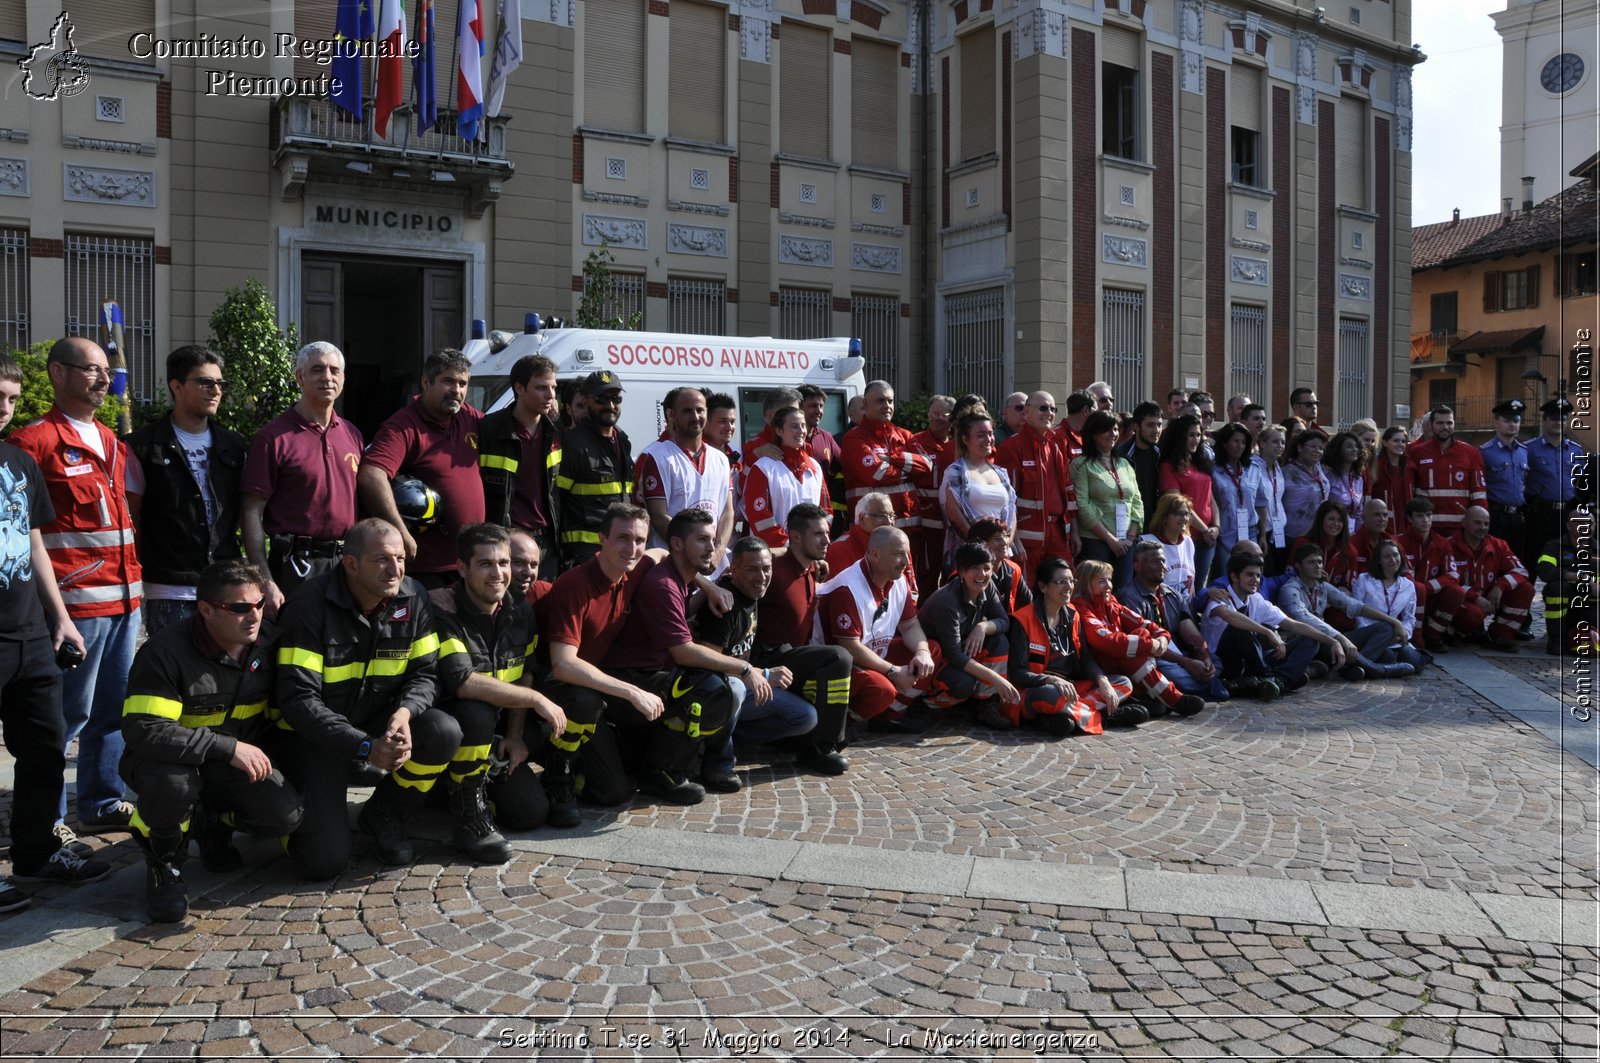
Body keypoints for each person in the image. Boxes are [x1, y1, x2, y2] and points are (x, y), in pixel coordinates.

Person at [119, 560, 304, 921]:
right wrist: (227, 747)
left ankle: (211, 822)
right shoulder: (165, 652)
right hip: (169, 761)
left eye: (259, 604)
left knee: (285, 815)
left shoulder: (270, 644)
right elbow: (145, 729)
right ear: (205, 609)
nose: (253, 616)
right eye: (239, 608)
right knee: (172, 785)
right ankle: (164, 862)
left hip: (230, 766)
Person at [274, 519, 458, 878]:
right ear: (351, 564)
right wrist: (364, 747)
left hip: (375, 718)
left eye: (401, 559)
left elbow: (425, 673)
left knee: (442, 731)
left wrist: (405, 713)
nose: (396, 570)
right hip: (313, 737)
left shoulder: (413, 595)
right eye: (383, 560)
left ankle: (384, 813)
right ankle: (275, 815)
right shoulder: (308, 606)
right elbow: (298, 702)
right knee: (324, 862)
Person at [10, 337, 141, 836]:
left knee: (113, 712)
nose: (103, 379)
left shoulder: (110, 439)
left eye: (106, 371)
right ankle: (47, 822)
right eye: (91, 370)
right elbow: (26, 535)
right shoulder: (33, 442)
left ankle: (102, 801)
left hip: (126, 600)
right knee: (65, 718)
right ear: (58, 373)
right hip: (74, 608)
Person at [0, 352, 103, 914]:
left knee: (44, 746)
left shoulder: (17, 461)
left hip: (28, 633)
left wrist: (59, 616)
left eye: (13, 398)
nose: (5, 408)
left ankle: (36, 852)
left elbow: (35, 540)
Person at [430, 524, 568, 847]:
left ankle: (462, 788)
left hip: (496, 733)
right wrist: (535, 700)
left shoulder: (521, 611)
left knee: (530, 813)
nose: (499, 573)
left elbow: (524, 673)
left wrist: (516, 736)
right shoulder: (441, 610)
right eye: (486, 564)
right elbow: (462, 682)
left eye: (504, 563)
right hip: (449, 732)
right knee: (475, 712)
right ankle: (463, 808)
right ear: (462, 568)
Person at [600, 507, 744, 802]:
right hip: (628, 682)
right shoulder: (663, 585)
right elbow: (684, 653)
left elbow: (659, 553)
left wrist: (707, 585)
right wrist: (746, 668)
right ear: (677, 543)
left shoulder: (680, 574)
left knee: (715, 685)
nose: (712, 548)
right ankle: (662, 773)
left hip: (650, 675)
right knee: (708, 688)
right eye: (702, 540)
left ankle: (669, 761)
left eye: (713, 539)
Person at [125, 345, 247, 635]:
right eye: (205, 382)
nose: (216, 390)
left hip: (224, 583)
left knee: (224, 675)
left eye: (220, 383)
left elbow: (243, 512)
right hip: (170, 588)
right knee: (173, 675)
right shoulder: (141, 446)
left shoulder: (234, 445)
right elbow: (131, 518)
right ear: (177, 386)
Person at [694, 536, 829, 789]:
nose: (762, 576)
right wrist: (763, 673)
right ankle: (717, 762)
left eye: (766, 568)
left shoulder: (754, 592)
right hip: (718, 689)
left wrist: (812, 556)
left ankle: (721, 741)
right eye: (752, 569)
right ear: (733, 569)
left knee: (805, 717)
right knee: (732, 688)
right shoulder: (725, 603)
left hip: (745, 683)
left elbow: (780, 552)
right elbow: (708, 660)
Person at [241, 341, 364, 614]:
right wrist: (265, 580)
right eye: (317, 369)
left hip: (347, 564)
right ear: (300, 377)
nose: (327, 377)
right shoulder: (272, 438)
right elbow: (251, 511)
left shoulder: (352, 434)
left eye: (335, 370)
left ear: (343, 378)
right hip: (295, 567)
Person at [359, 348, 486, 587]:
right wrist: (400, 533)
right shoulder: (403, 426)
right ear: (426, 382)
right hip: (427, 570)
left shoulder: (469, 418)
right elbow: (372, 475)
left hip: (470, 563)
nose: (457, 391)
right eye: (448, 381)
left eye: (462, 383)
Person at [748, 503, 853, 774]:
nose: (827, 540)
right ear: (794, 536)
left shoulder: (810, 567)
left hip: (791, 661)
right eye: (818, 534)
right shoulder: (772, 570)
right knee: (838, 657)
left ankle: (807, 737)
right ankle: (821, 746)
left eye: (827, 533)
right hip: (766, 663)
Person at [817, 526, 942, 734]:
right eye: (898, 554)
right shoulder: (848, 588)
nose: (906, 561)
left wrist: (922, 652)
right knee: (881, 690)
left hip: (872, 653)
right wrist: (894, 672)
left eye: (907, 554)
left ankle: (889, 716)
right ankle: (847, 717)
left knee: (932, 650)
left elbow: (910, 625)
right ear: (875, 554)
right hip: (838, 663)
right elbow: (850, 647)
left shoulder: (898, 580)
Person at [1004, 558, 1131, 734]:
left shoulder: (1073, 615)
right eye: (1061, 582)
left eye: (1071, 581)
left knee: (1123, 683)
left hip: (1071, 688)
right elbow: (1016, 673)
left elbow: (1085, 658)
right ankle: (1103, 717)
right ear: (1043, 587)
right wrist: (1051, 680)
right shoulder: (1023, 619)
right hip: (1036, 690)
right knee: (1052, 695)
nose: (1069, 587)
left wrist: (1103, 681)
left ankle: (1066, 717)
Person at [1073, 559, 1206, 720]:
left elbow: (1146, 624)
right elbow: (1106, 642)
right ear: (1086, 584)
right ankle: (1173, 699)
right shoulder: (1080, 607)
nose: (1108, 586)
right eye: (1101, 581)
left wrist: (1162, 639)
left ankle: (1145, 697)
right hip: (1097, 670)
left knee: (1139, 635)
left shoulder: (1112, 603)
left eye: (1109, 579)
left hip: (1120, 665)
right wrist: (1150, 645)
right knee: (1134, 648)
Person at [477, 352, 562, 579]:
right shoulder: (488, 430)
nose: (551, 395)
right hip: (506, 540)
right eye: (542, 388)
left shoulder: (556, 433)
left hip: (547, 544)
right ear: (519, 388)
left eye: (553, 388)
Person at [1274, 543, 1414, 680]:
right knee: (1385, 657)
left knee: (1386, 628)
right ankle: (1377, 669)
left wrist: (1395, 622)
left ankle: (1353, 667)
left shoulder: (1322, 586)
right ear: (1298, 566)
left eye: (1320, 562)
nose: (1317, 566)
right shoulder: (1290, 589)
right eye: (1311, 562)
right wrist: (1340, 638)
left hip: (1331, 640)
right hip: (1307, 642)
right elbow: (1304, 618)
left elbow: (1354, 606)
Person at [916, 542, 1021, 725]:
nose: (982, 575)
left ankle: (984, 704)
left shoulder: (987, 586)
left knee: (999, 641)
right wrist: (995, 678)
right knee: (963, 683)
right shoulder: (947, 601)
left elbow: (1004, 621)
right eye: (975, 568)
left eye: (986, 568)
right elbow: (954, 655)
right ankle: (925, 706)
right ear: (962, 572)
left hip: (958, 651)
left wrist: (983, 627)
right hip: (932, 660)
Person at [636, 387, 735, 567]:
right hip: (673, 563)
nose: (696, 416)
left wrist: (718, 550)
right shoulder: (657, 457)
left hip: (714, 564)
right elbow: (658, 515)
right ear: (673, 415)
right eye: (687, 411)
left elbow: (728, 512)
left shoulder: (720, 458)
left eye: (700, 410)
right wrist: (693, 552)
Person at [1201, 553, 1323, 699]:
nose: (1255, 580)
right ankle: (1275, 677)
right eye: (1250, 575)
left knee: (1310, 639)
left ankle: (1279, 680)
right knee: (1240, 628)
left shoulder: (1256, 599)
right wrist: (1268, 632)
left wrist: (1335, 641)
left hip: (1255, 660)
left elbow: (1294, 625)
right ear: (1234, 577)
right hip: (1227, 664)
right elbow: (1231, 617)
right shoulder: (1220, 597)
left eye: (1258, 576)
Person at [1117, 540, 1225, 702]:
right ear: (1137, 566)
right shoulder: (1128, 597)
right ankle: (1217, 686)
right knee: (1166, 673)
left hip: (1181, 653)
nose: (1162, 566)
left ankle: (1204, 684)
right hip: (1157, 656)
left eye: (1163, 560)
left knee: (1215, 660)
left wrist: (1204, 658)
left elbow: (1191, 634)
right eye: (1155, 561)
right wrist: (1187, 663)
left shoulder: (1173, 595)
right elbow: (1146, 644)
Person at [554, 371, 636, 570]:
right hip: (584, 557)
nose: (610, 405)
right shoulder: (572, 443)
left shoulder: (623, 440)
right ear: (587, 400)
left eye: (615, 398)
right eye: (601, 399)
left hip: (618, 551)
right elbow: (556, 502)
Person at [841, 381, 933, 549]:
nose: (887, 406)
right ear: (865, 404)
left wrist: (893, 459)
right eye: (880, 401)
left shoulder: (904, 435)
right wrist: (910, 469)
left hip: (911, 530)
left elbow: (927, 466)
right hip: (874, 534)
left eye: (890, 401)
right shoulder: (854, 438)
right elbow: (878, 474)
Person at [995, 391, 1076, 580]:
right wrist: (1013, 540)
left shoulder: (1055, 447)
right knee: (1026, 595)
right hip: (1027, 538)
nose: (1049, 413)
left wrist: (1075, 533)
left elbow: (1068, 491)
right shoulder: (1011, 447)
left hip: (1057, 535)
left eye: (1052, 409)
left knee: (1064, 585)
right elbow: (1005, 500)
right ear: (1027, 412)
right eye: (1043, 408)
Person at [1436, 505, 1536, 650]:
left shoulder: (1498, 545)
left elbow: (1521, 571)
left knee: (1526, 589)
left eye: (1486, 524)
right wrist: (1473, 597)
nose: (1482, 527)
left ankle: (1500, 635)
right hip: (1463, 600)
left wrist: (1500, 586)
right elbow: (1445, 581)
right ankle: (1454, 633)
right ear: (1463, 523)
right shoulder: (1449, 545)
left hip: (1489, 597)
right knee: (1473, 613)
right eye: (1477, 522)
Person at [940, 410, 1017, 570]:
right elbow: (954, 515)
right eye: (981, 435)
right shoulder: (955, 472)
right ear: (965, 439)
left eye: (990, 434)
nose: (988, 439)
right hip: (969, 558)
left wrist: (1004, 543)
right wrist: (983, 547)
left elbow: (1012, 511)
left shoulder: (1001, 473)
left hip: (1001, 557)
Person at [744, 404, 829, 548]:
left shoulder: (815, 467)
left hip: (809, 552)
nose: (801, 431)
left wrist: (817, 540)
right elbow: (759, 517)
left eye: (803, 425)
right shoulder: (763, 468)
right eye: (794, 426)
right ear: (778, 430)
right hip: (775, 554)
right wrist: (788, 545)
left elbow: (826, 511)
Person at [1071, 410, 1143, 571]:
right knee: (1098, 589)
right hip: (1095, 540)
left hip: (1125, 541)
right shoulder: (1081, 465)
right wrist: (1110, 539)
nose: (1113, 434)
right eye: (1107, 429)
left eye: (1116, 429)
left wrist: (1131, 537)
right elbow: (1082, 505)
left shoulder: (1125, 464)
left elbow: (1137, 501)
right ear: (1094, 434)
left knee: (1123, 592)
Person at [1524, 397, 1589, 571]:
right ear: (1544, 420)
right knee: (1532, 559)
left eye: (1562, 418)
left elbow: (1579, 481)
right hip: (1540, 515)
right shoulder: (1529, 449)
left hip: (1566, 514)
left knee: (1567, 561)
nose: (1558, 422)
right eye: (1553, 418)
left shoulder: (1576, 450)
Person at [1350, 539, 1430, 675]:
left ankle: (1367, 666)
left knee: (1414, 663)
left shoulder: (1408, 585)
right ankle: (1361, 665)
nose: (1393, 559)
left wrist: (1402, 634)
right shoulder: (1364, 580)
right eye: (1387, 556)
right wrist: (1377, 637)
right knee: (1389, 656)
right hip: (1370, 634)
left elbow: (1409, 618)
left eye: (1395, 555)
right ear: (1379, 561)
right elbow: (1358, 613)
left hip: (1395, 636)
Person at [1156, 414, 1218, 588]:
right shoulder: (1169, 466)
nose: (1196, 439)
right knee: (1186, 586)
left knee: (1201, 586)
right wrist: (1205, 530)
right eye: (1191, 435)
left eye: (1198, 435)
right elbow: (1177, 503)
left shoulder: (1201, 463)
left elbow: (1211, 498)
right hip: (1186, 535)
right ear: (1180, 436)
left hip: (1208, 537)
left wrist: (1216, 527)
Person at [1397, 498, 1465, 654]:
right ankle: (1415, 637)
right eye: (1420, 516)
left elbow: (1453, 574)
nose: (1426, 520)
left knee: (1457, 592)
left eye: (1428, 515)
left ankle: (1433, 635)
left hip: (1430, 595)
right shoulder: (1398, 541)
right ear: (1409, 518)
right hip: (1407, 599)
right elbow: (1404, 573)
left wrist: (1428, 588)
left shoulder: (1442, 543)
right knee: (1417, 588)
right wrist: (1421, 589)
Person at [1407, 405, 1487, 537]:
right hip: (1427, 528)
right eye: (1440, 423)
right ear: (1431, 425)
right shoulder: (1416, 452)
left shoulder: (1470, 453)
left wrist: (1479, 524)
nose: (1445, 427)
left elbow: (1478, 494)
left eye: (1449, 423)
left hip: (1459, 528)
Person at [908, 394, 957, 590]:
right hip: (927, 525)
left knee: (952, 575)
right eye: (934, 413)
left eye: (943, 413)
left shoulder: (959, 445)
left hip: (954, 525)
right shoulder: (915, 443)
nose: (937, 418)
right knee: (926, 576)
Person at [1210, 422, 1268, 580]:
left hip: (1249, 531)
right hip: (1224, 532)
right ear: (1224, 443)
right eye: (1235, 441)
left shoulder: (1254, 469)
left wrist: (1262, 535)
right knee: (1225, 576)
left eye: (1243, 442)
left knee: (1251, 576)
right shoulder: (1213, 469)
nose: (1240, 446)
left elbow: (1261, 504)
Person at [1537, 507, 1597, 657]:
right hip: (1565, 600)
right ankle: (1556, 640)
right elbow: (1545, 572)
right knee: (1557, 588)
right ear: (1568, 526)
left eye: (1590, 523)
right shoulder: (1553, 547)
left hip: (1591, 602)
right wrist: (1577, 577)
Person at [797, 385, 847, 535]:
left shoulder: (826, 437)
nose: (818, 411)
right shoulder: (787, 437)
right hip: (795, 510)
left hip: (821, 511)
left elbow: (845, 464)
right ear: (799, 407)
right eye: (813, 406)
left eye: (821, 406)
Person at [1479, 399, 1529, 549]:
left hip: (1517, 516)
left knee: (1517, 558)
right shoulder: (1485, 452)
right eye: (1507, 420)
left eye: (1516, 420)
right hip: (1495, 515)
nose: (1512, 424)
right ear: (1496, 422)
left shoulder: (1524, 451)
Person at [827, 491, 900, 576]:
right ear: (862, 518)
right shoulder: (839, 550)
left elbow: (909, 586)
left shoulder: (898, 544)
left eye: (891, 516)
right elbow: (838, 588)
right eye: (881, 516)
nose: (889, 522)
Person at [1140, 493, 1198, 599]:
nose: (1184, 518)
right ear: (1164, 517)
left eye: (1187, 513)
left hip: (1184, 611)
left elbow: (1191, 585)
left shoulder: (1188, 542)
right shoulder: (1146, 543)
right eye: (1178, 514)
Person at [967, 520, 1031, 615]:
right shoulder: (964, 574)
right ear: (981, 543)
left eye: (1006, 536)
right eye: (997, 539)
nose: (1005, 542)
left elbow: (1029, 605)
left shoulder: (1013, 569)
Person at [1252, 426, 1290, 575]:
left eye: (1282, 442)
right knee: (1265, 573)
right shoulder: (1253, 466)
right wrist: (1261, 534)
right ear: (1262, 444)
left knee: (1278, 572)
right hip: (1261, 530)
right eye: (1275, 441)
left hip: (1278, 529)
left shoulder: (1277, 467)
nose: (1279, 446)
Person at [1281, 428, 1330, 543]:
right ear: (1300, 447)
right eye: (1313, 446)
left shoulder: (1318, 468)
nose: (1317, 451)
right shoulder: (1285, 473)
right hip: (1292, 536)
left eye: (1321, 448)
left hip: (1318, 534)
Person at [1115, 401, 1164, 516]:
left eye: (1159, 424)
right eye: (1150, 425)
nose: (1156, 430)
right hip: (1129, 522)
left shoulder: (1161, 454)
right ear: (1136, 426)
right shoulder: (1121, 455)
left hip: (1154, 523)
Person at [1370, 426, 1413, 537]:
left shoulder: (1411, 468)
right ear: (1384, 442)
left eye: (1403, 441)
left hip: (1407, 527)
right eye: (1396, 440)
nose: (1400, 444)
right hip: (1383, 527)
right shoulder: (1376, 468)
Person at [1322, 431, 1366, 535]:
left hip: (1350, 533)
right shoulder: (1326, 475)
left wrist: (1357, 535)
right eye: (1349, 446)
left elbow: (1358, 513)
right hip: (1329, 531)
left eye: (1356, 446)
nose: (1354, 449)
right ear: (1339, 450)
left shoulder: (1357, 478)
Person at [1349, 498, 1394, 572]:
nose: (1382, 519)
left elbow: (1405, 571)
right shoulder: (1351, 543)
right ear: (1363, 518)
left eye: (1385, 515)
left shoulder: (1392, 541)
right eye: (1377, 515)